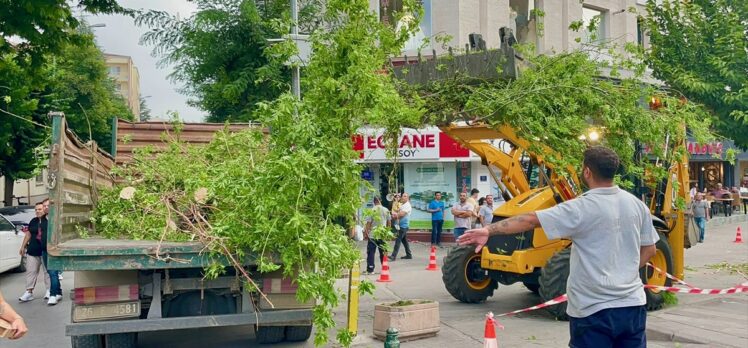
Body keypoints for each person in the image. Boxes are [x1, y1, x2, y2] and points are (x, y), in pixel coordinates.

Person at [459, 146, 658, 348]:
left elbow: (530, 220)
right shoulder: (637, 205)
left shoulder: (580, 207)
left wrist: (488, 230)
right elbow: (650, 250)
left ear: (587, 171)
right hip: (632, 306)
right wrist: (624, 271)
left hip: (593, 310)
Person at [17, 203, 51, 303]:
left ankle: (49, 290)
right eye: (36, 209)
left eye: (39, 209)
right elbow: (28, 234)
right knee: (31, 272)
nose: (37, 211)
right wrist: (23, 246)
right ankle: (29, 292)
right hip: (33, 250)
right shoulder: (33, 221)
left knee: (47, 272)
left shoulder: (48, 220)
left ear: (44, 209)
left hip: (45, 250)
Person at [40, 198, 62, 305]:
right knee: (50, 272)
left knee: (53, 272)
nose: (45, 208)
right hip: (44, 249)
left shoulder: (56, 218)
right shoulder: (42, 219)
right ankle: (58, 292)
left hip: (53, 250)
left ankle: (53, 295)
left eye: (47, 205)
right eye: (44, 206)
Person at [364, 197, 390, 274]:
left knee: (371, 252)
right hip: (382, 234)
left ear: (374, 202)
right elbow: (389, 222)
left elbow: (369, 223)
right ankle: (385, 267)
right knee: (383, 251)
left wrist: (366, 233)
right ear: (380, 201)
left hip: (373, 235)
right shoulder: (386, 210)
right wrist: (387, 232)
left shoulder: (372, 210)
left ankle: (370, 269)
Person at [389, 193, 413, 260]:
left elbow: (401, 215)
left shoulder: (407, 205)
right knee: (404, 241)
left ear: (408, 198)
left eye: (405, 196)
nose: (403, 197)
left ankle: (393, 256)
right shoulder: (403, 205)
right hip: (401, 225)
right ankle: (409, 255)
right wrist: (395, 215)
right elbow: (398, 213)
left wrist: (394, 216)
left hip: (403, 226)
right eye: (402, 196)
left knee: (398, 240)